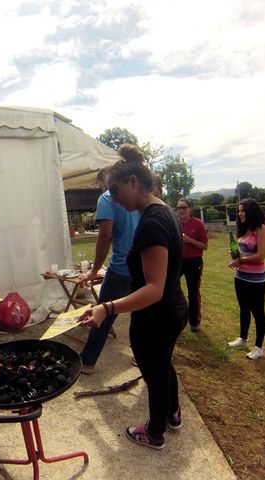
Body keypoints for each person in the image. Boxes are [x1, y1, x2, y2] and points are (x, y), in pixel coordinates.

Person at [79, 155, 188, 450]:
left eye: (115, 191)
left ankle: (154, 432)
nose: (112, 198)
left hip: (157, 315)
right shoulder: (165, 212)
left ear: (134, 182)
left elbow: (154, 288)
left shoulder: (152, 223)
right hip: (171, 310)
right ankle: (172, 413)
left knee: (154, 372)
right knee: (163, 363)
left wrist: (108, 307)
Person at [79, 149, 141, 374]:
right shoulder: (140, 195)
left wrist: (94, 270)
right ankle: (141, 357)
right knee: (141, 314)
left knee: (103, 314)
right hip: (142, 268)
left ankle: (87, 362)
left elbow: (105, 236)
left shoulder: (106, 198)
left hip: (120, 269)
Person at [226, 198, 265, 360]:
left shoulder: (261, 228)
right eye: (238, 211)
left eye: (243, 210)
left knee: (258, 311)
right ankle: (242, 339)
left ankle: (259, 347)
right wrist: (234, 254)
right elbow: (241, 253)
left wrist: (240, 260)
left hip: (256, 279)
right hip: (240, 276)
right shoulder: (244, 229)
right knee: (244, 308)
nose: (239, 214)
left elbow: (261, 255)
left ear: (251, 211)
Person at [176, 198, 208, 332]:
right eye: (179, 208)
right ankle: (177, 318)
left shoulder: (198, 224)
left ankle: (194, 322)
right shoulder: (175, 223)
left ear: (190, 209)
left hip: (194, 261)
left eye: (184, 207)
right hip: (178, 260)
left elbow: (204, 246)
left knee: (193, 292)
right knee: (172, 288)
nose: (181, 210)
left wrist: (189, 240)